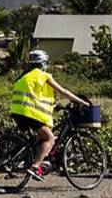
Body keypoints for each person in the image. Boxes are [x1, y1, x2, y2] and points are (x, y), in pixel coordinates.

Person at [8, 50, 89, 180]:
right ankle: (34, 167)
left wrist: (54, 106)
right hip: (30, 113)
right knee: (50, 139)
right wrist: (81, 102)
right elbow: (64, 91)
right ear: (43, 63)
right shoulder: (43, 76)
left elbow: (35, 96)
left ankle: (35, 163)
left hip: (18, 112)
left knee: (40, 138)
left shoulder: (24, 76)